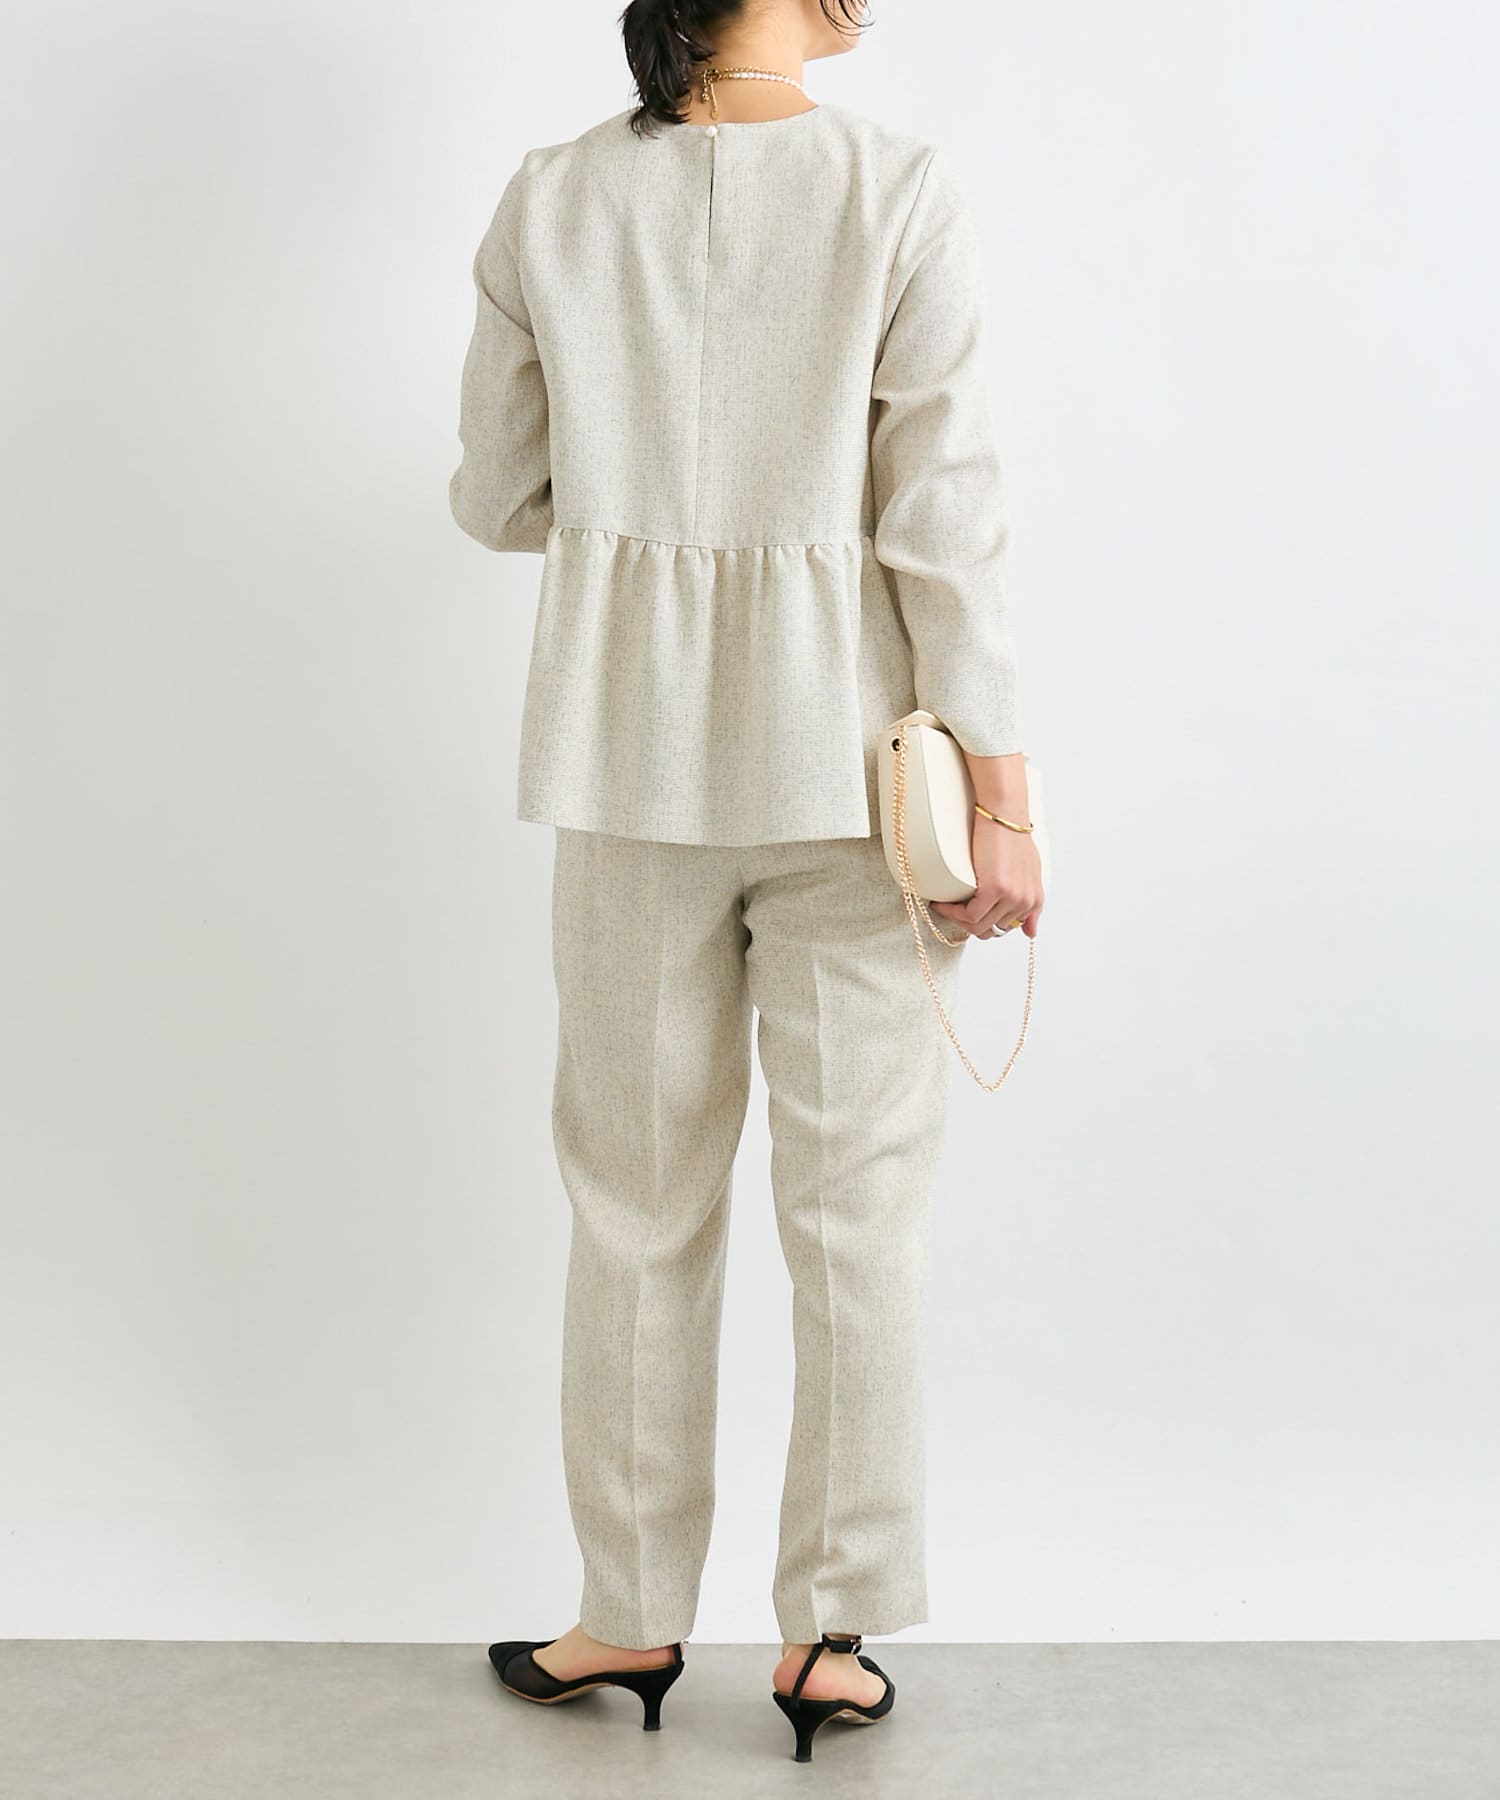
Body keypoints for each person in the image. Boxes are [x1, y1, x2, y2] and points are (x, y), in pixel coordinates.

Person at [448, 0, 1044, 1763]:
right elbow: (944, 514)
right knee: (858, 1209)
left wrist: (638, 515)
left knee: (635, 1201)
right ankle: (831, 1636)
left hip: (625, 767)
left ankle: (628, 1615)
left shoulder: (554, 195)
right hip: (854, 770)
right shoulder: (893, 189)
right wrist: (1002, 794)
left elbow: (497, 497)